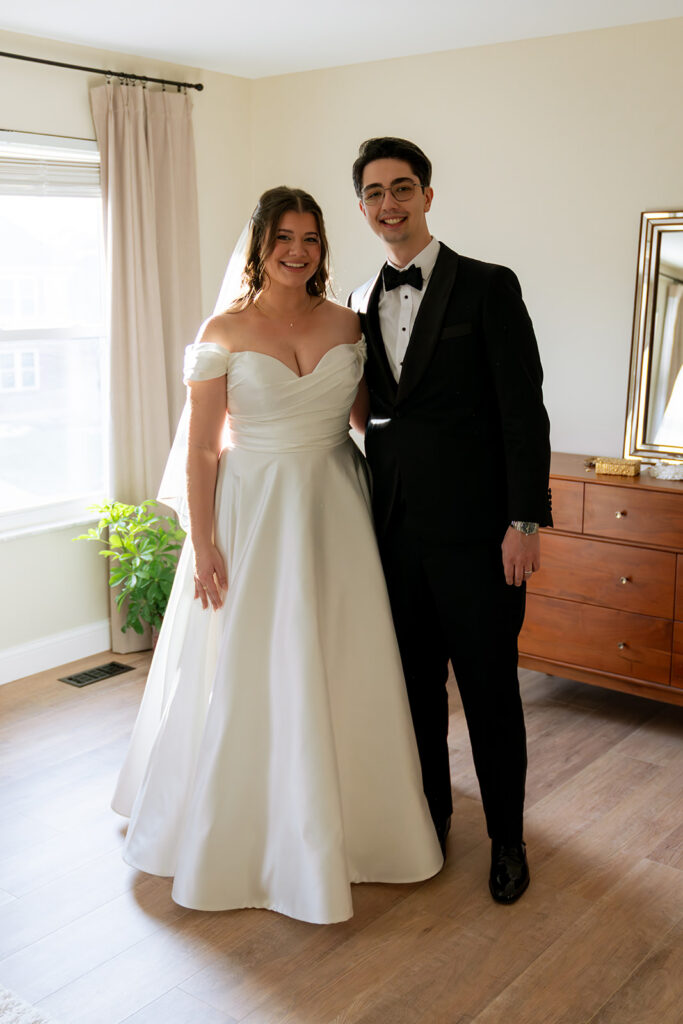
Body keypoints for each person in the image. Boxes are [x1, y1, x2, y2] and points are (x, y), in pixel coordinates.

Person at [111, 186, 443, 925]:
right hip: (250, 510)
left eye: (311, 239)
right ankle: (242, 827)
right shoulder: (223, 329)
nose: (297, 251)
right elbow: (201, 449)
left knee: (338, 654)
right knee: (251, 657)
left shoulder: (348, 323)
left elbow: (370, 421)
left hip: (333, 505)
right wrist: (203, 546)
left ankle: (354, 825)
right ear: (260, 247)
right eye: (284, 238)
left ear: (324, 249)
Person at [349, 138, 552, 904]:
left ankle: (507, 838)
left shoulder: (487, 287)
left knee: (491, 691)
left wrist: (523, 521)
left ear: (427, 195)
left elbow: (522, 413)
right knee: (414, 693)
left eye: (402, 188)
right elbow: (368, 417)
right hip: (392, 535)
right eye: (374, 193)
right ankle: (429, 820)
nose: (388, 204)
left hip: (479, 541)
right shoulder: (357, 301)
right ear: (362, 207)